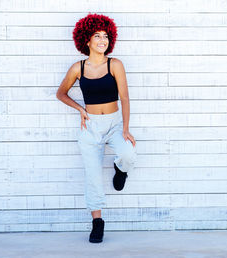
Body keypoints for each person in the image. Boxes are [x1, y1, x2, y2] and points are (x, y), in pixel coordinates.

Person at [56, 13, 137, 243]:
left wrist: (126, 128)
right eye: (97, 36)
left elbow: (125, 98)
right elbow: (61, 93)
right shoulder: (78, 68)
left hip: (114, 124)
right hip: (90, 127)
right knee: (92, 176)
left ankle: (121, 168)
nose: (103, 40)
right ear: (87, 40)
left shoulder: (115, 64)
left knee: (129, 153)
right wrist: (80, 109)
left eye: (105, 36)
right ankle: (97, 222)